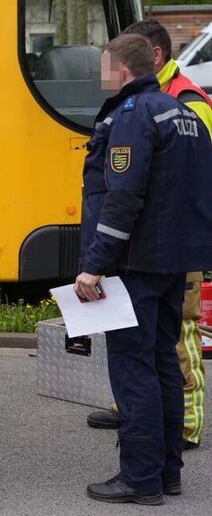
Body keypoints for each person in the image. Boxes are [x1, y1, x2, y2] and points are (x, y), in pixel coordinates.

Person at [76, 34, 212, 505]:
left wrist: (94, 266)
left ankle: (139, 477)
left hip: (134, 265)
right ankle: (166, 473)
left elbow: (123, 196)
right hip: (174, 262)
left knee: (133, 369)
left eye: (103, 67)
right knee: (161, 366)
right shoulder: (186, 115)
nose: (100, 76)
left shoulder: (133, 116)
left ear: (121, 69)